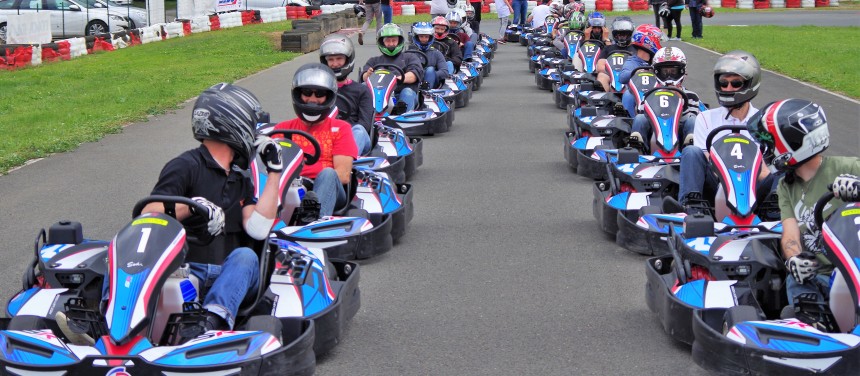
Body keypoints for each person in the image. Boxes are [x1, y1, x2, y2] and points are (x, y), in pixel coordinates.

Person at [142, 83, 279, 334]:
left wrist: (274, 173)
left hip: (230, 274)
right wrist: (193, 208)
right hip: (185, 271)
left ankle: (209, 324)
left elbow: (259, 229)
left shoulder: (241, 177)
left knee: (246, 256)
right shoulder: (185, 166)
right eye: (252, 126)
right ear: (234, 123)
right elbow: (148, 214)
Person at [747, 99, 860, 328]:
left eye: (768, 144)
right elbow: (790, 235)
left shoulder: (848, 168)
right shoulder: (785, 186)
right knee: (795, 279)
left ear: (792, 142)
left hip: (854, 270)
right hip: (821, 277)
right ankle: (817, 328)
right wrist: (794, 260)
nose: (765, 152)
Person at [672, 50, 770, 211]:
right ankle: (690, 209)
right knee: (691, 152)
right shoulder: (706, 118)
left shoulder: (763, 121)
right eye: (723, 83)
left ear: (750, 84)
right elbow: (705, 159)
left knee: (785, 166)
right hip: (718, 184)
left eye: (736, 83)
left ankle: (776, 212)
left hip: (754, 185)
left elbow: (766, 170)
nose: (728, 88)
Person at [275, 64, 358, 218]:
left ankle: (314, 222)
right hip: (288, 187)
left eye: (319, 94)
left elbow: (344, 175)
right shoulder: (282, 129)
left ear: (329, 97)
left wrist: (308, 183)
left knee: (328, 174)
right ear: (298, 95)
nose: (312, 100)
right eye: (307, 93)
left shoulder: (341, 128)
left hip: (327, 187)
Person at [628, 47, 706, 153]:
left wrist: (680, 100)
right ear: (657, 72)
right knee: (640, 118)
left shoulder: (691, 96)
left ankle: (691, 147)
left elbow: (692, 118)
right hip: (655, 129)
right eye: (665, 72)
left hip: (680, 130)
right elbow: (641, 112)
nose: (669, 76)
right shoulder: (648, 95)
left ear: (682, 72)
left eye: (673, 72)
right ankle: (637, 149)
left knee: (692, 120)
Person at [319, 34, 372, 156]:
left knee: (358, 131)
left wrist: (342, 131)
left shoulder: (361, 90)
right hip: (326, 137)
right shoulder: (320, 91)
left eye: (339, 59)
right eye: (331, 60)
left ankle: (346, 164)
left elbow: (365, 124)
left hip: (353, 136)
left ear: (348, 60)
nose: (335, 63)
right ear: (325, 62)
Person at [361, 23, 424, 113]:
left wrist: (396, 79)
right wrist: (368, 75)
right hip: (379, 96)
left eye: (394, 40)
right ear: (382, 42)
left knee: (407, 92)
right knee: (363, 86)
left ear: (400, 41)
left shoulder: (410, 57)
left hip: (401, 94)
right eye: (388, 41)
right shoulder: (374, 61)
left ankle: (405, 118)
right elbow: (363, 77)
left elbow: (415, 74)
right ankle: (367, 116)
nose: (391, 44)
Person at [617, 24, 663, 117]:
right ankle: (631, 120)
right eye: (658, 40)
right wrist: (636, 72)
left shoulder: (658, 62)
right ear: (649, 41)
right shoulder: (632, 62)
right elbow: (622, 77)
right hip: (639, 96)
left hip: (658, 95)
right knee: (628, 95)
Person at [594, 16, 636, 91]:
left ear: (630, 34)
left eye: (624, 34)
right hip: (611, 75)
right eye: (619, 35)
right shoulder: (608, 48)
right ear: (615, 35)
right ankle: (601, 100)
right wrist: (614, 72)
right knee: (601, 76)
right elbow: (600, 66)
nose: (622, 37)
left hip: (629, 76)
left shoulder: (636, 49)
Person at [410, 21, 451, 89]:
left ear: (431, 37)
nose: (424, 39)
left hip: (432, 85)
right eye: (421, 36)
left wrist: (430, 74)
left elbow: (444, 72)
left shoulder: (436, 53)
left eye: (426, 37)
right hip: (414, 82)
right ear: (416, 37)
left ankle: (426, 91)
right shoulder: (410, 53)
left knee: (430, 70)